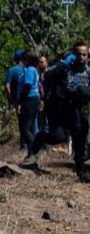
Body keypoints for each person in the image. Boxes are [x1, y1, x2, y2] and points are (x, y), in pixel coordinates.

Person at [22, 42, 90, 181]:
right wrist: (61, 67)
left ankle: (81, 172)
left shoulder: (88, 72)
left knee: (79, 137)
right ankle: (41, 137)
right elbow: (45, 77)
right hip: (59, 111)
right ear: (74, 55)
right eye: (79, 54)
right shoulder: (65, 69)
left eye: (84, 55)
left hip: (76, 110)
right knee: (58, 137)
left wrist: (84, 92)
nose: (81, 57)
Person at [15, 52, 43, 154]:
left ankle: (35, 147)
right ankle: (30, 153)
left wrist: (21, 101)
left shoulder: (30, 70)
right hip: (33, 99)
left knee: (24, 127)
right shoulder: (33, 70)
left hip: (29, 100)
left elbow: (28, 86)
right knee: (28, 127)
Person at [3, 49, 30, 149]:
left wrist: (11, 98)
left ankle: (24, 145)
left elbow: (7, 86)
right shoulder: (29, 70)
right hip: (30, 99)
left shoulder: (12, 70)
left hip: (18, 101)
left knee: (22, 123)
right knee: (31, 123)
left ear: (15, 59)